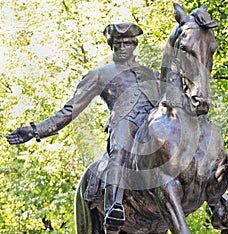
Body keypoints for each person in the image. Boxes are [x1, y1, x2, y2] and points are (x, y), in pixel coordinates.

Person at [6, 23, 160, 229]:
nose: (123, 47)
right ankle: (114, 205)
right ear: (111, 46)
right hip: (124, 124)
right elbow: (70, 110)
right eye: (117, 44)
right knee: (120, 146)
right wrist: (35, 130)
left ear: (134, 44)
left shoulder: (151, 74)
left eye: (127, 43)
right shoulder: (100, 74)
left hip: (152, 127)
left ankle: (216, 201)